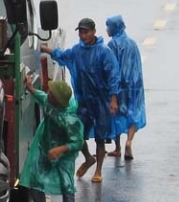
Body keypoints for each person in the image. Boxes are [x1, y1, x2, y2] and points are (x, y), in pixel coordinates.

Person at [41, 18, 120, 183]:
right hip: (83, 101)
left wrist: (113, 99)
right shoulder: (77, 50)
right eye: (81, 32)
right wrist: (43, 49)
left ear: (93, 32)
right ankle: (88, 158)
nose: (83, 35)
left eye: (86, 32)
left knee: (100, 137)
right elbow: (61, 55)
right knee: (77, 134)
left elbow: (113, 76)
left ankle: (98, 170)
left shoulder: (104, 52)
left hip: (101, 102)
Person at [19, 74, 85, 202]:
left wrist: (60, 150)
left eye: (51, 93)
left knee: (66, 185)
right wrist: (30, 87)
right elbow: (41, 97)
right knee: (35, 181)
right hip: (45, 147)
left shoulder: (70, 120)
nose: (47, 93)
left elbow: (78, 142)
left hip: (63, 155)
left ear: (58, 100)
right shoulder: (49, 103)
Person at [105, 15, 146, 160]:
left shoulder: (112, 45)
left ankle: (117, 148)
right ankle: (129, 141)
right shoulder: (132, 43)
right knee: (133, 112)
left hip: (119, 86)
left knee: (115, 113)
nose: (107, 29)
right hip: (134, 85)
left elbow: (110, 67)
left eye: (108, 26)